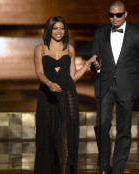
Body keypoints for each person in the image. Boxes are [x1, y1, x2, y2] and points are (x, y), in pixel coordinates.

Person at [92, 1, 139, 174]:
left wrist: (130, 76)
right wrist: (95, 65)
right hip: (105, 85)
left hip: (127, 87)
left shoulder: (138, 35)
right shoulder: (100, 33)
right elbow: (93, 60)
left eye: (118, 14)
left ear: (125, 14)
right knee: (101, 125)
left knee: (123, 130)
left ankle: (118, 169)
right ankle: (104, 165)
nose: (115, 18)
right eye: (111, 15)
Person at [33, 16, 96, 174]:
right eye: (55, 28)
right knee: (47, 135)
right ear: (49, 29)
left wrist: (87, 64)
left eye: (62, 28)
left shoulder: (70, 49)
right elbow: (39, 72)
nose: (59, 31)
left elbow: (72, 77)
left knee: (66, 134)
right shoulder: (40, 49)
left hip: (68, 95)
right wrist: (49, 84)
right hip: (47, 96)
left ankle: (65, 170)